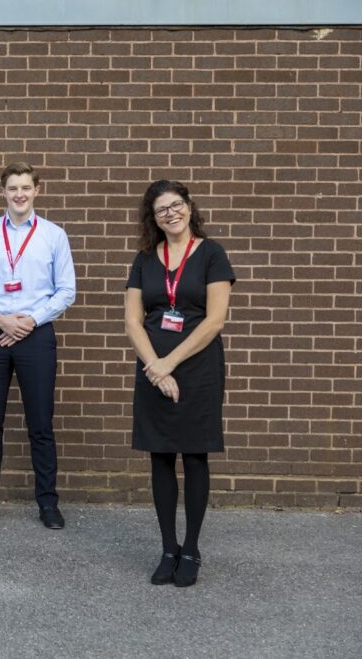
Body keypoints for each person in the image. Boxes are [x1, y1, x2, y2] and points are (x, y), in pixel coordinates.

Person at [124, 180, 234, 587]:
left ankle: (191, 549)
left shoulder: (211, 254)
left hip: (197, 368)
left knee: (194, 455)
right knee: (159, 456)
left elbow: (215, 320)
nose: (170, 214)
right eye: (161, 210)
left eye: (176, 205)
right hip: (153, 368)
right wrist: (155, 366)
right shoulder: (143, 259)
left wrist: (169, 363)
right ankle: (168, 548)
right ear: (152, 219)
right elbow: (134, 320)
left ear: (189, 207)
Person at [0, 163, 76, 528]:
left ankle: (47, 503)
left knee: (40, 423)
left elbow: (66, 291)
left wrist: (28, 322)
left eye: (25, 187)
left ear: (37, 190)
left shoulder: (54, 235)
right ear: (3, 192)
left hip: (36, 335)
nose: (19, 194)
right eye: (12, 188)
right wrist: (0, 320)